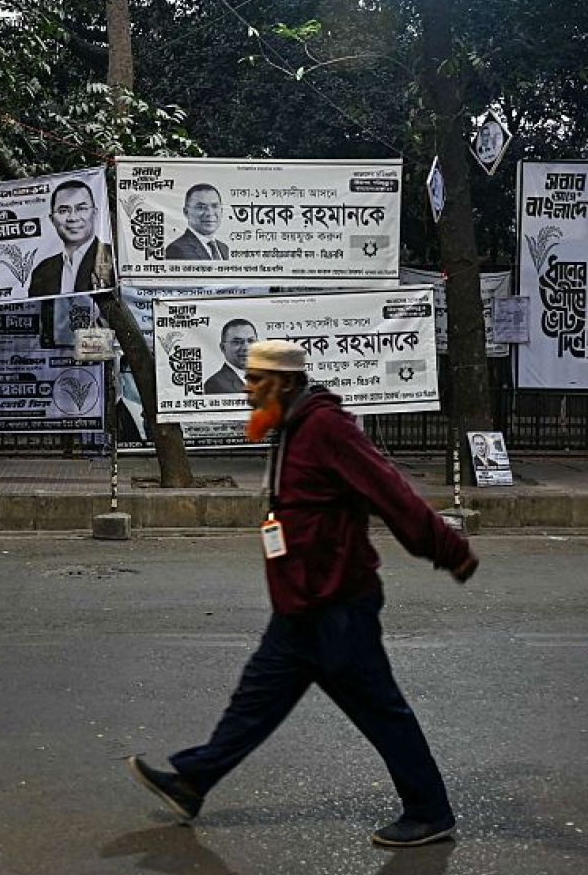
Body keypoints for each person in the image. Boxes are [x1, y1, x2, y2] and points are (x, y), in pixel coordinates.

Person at [126, 339, 479, 848]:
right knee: (254, 701)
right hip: (300, 606)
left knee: (381, 710)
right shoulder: (288, 428)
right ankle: (191, 783)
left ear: (286, 382)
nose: (246, 390)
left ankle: (430, 811)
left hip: (337, 604)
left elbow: (391, 493)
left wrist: (449, 549)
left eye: (255, 380)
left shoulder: (327, 429)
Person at [28, 180, 114, 298]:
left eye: (81, 208)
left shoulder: (113, 259)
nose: (73, 218)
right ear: (52, 219)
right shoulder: (42, 271)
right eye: (63, 211)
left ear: (95, 213)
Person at [165, 184, 230, 260]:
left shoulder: (224, 248)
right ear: (186, 212)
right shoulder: (176, 250)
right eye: (201, 207)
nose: (209, 213)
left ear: (222, 210)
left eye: (215, 206)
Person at [203, 319, 258, 394]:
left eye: (251, 341)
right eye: (237, 342)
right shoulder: (215, 384)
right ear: (223, 348)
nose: (246, 347)